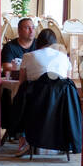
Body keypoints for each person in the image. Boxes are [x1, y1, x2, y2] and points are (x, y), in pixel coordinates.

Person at [10, 28, 73, 156]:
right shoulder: (64, 58)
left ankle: (23, 138)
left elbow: (22, 81)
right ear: (55, 42)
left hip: (35, 102)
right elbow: (68, 81)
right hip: (60, 103)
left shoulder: (28, 56)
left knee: (18, 98)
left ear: (38, 41)